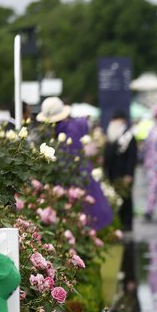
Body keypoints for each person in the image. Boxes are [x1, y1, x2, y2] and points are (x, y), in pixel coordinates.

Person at [36, 96, 113, 231]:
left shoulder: (61, 133)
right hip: (81, 175)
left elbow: (63, 163)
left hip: (70, 181)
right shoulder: (73, 127)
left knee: (78, 219)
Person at [103, 110, 138, 232]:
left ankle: (127, 224)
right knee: (115, 199)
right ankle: (117, 223)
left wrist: (129, 174)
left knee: (126, 199)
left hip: (124, 173)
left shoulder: (128, 137)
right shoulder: (111, 136)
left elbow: (132, 157)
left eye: (116, 120)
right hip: (113, 174)